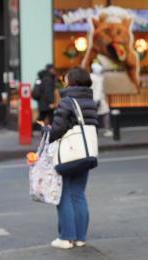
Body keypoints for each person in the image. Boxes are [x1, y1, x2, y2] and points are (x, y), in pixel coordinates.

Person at [47, 67, 98, 250]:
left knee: (64, 194)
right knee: (78, 194)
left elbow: (58, 128)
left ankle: (66, 237)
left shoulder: (67, 101)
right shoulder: (90, 101)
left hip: (69, 154)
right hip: (85, 152)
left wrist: (48, 135)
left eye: (65, 78)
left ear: (71, 80)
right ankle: (80, 237)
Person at [90, 63, 113, 137]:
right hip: (99, 99)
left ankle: (93, 131)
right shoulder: (99, 78)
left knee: (92, 116)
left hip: (91, 99)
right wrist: (98, 99)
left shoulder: (90, 76)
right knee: (106, 113)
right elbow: (99, 89)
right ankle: (107, 130)